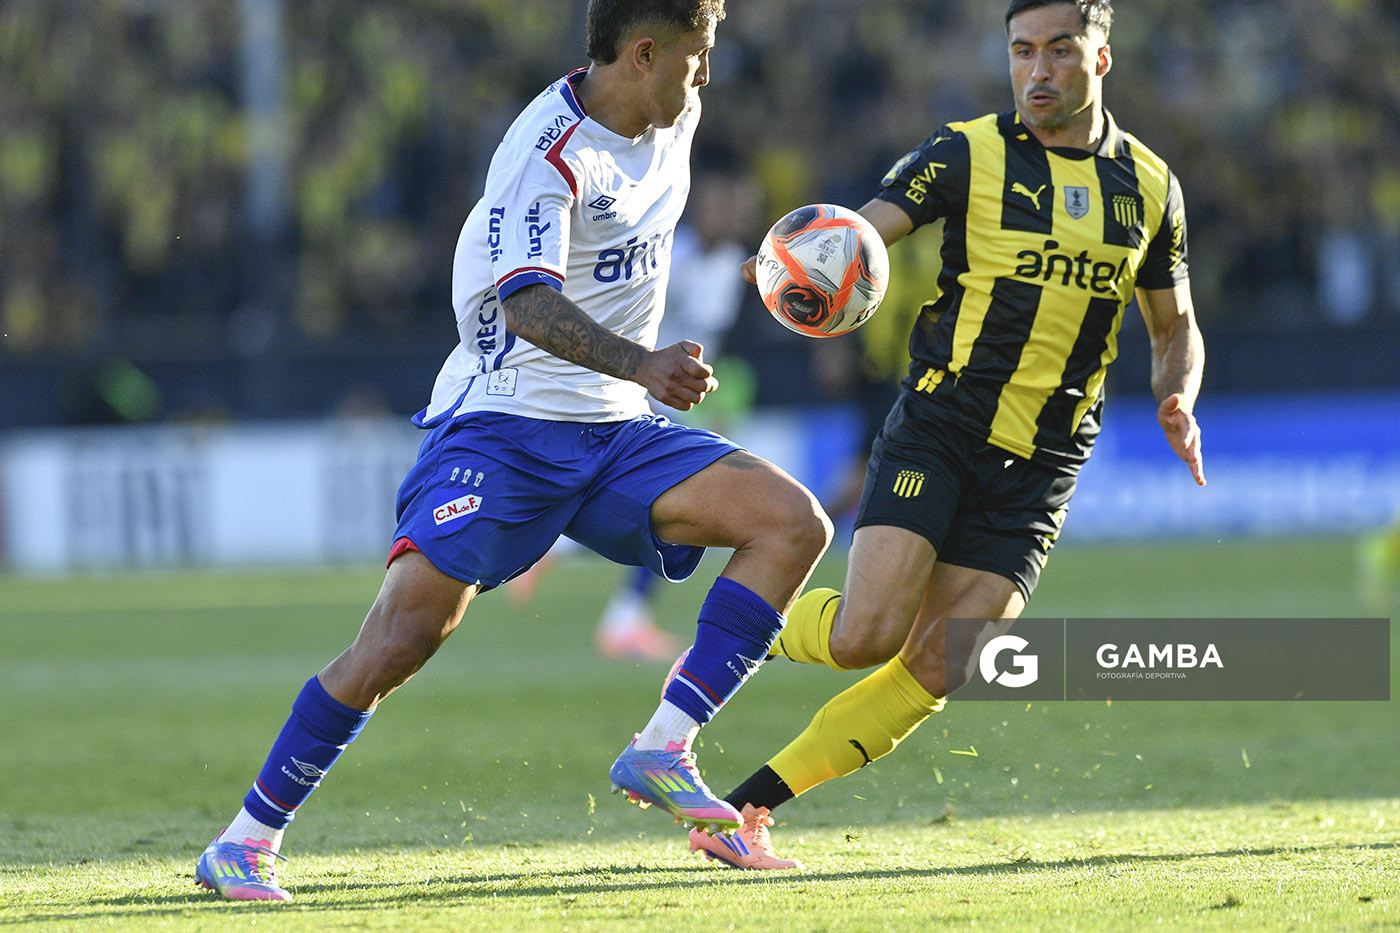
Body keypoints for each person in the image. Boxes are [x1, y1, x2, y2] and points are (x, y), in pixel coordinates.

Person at [195, 0, 833, 901]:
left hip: (614, 429)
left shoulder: (676, 113)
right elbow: (528, 304)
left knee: (790, 523)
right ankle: (245, 840)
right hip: (504, 425)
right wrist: (643, 363)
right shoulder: (545, 154)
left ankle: (663, 744)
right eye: (696, 57)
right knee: (404, 635)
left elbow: (634, 252)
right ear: (642, 53)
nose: (705, 76)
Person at [684, 0, 1207, 870]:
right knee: (864, 637)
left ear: (1101, 59)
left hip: (1045, 461)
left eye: (1059, 50)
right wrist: (799, 261)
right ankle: (745, 617)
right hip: (944, 424)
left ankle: (742, 810)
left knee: (941, 662)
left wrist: (1178, 394)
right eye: (1021, 51)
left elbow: (1174, 325)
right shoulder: (965, 152)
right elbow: (866, 230)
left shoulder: (1151, 187)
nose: (1037, 70)